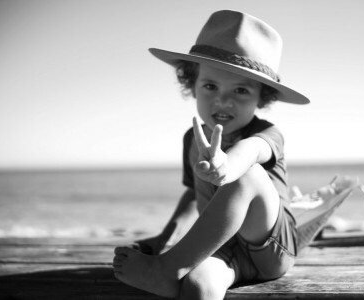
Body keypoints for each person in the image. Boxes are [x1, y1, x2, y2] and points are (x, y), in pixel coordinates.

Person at [113, 10, 311, 299]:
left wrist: (226, 166)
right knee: (199, 285)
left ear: (262, 96)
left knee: (248, 174)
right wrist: (163, 238)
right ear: (191, 85)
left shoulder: (267, 134)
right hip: (224, 248)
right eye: (210, 86)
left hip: (270, 246)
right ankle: (174, 271)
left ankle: (168, 267)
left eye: (241, 90)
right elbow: (192, 194)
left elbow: (249, 152)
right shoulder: (192, 139)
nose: (223, 100)